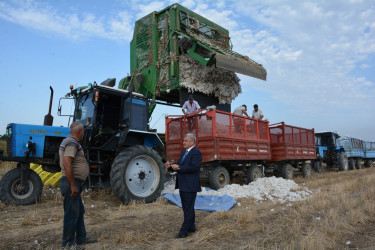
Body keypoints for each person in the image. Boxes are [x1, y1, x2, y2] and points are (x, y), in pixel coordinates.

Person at [59, 122, 97, 249]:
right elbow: (67, 162)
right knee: (71, 213)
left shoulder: (69, 141)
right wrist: (73, 185)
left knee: (78, 211)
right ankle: (68, 244)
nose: (83, 134)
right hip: (71, 182)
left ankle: (81, 238)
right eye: (83, 132)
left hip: (73, 182)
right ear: (80, 132)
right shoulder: (72, 142)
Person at [164, 134, 202, 238]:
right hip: (183, 185)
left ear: (192, 142)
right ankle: (191, 227)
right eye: (183, 140)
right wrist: (170, 167)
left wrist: (179, 167)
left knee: (188, 207)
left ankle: (184, 232)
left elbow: (194, 167)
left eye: (185, 141)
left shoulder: (196, 153)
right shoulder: (184, 153)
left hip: (190, 185)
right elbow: (179, 166)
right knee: (186, 207)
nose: (183, 142)